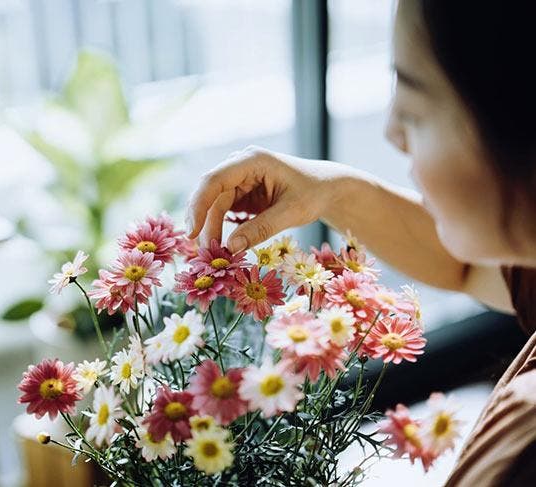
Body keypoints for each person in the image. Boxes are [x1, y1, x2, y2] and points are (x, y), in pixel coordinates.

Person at [185, 1, 536, 485]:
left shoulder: (524, 444)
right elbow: (464, 267)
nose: (391, 132)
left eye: (414, 107)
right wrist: (332, 191)